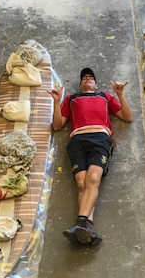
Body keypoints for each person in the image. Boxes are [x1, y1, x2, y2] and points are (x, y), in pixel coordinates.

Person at [49, 67, 132, 246]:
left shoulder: (104, 97)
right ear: (80, 84)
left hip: (100, 138)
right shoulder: (71, 99)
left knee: (93, 179)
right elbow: (57, 126)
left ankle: (80, 223)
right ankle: (88, 228)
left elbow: (127, 117)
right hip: (77, 140)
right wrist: (57, 102)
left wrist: (120, 95)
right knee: (81, 184)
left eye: (91, 78)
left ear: (95, 85)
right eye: (84, 78)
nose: (87, 79)